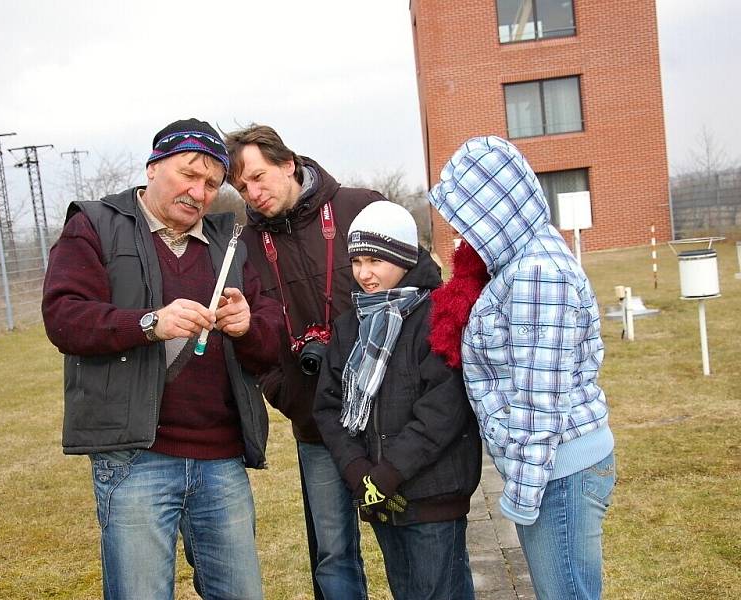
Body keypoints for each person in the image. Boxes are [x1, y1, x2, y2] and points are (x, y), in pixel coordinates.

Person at [42, 118, 282, 600]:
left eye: (212, 184)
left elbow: (273, 334)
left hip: (221, 457)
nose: (199, 192)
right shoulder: (95, 225)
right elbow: (64, 316)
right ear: (153, 167)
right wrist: (148, 323)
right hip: (136, 457)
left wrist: (247, 324)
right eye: (188, 174)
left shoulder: (229, 243)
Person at [428, 135, 616, 600]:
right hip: (557, 465)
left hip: (558, 470)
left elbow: (540, 398)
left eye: (466, 217)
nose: (461, 234)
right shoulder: (524, 259)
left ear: (493, 210)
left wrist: (524, 489)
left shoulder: (537, 272)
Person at [224, 124, 384, 600]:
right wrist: (284, 391)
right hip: (314, 420)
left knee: (410, 540)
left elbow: (422, 295)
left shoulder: (361, 208)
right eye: (242, 188)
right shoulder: (245, 246)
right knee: (333, 553)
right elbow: (248, 334)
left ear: (288, 163)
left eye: (259, 176)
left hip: (386, 415)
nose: (254, 194)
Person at [313, 201, 483, 600]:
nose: (364, 273)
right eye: (356, 261)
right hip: (379, 495)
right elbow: (328, 404)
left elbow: (443, 409)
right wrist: (358, 470)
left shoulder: (437, 316)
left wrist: (391, 470)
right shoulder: (350, 323)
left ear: (404, 258)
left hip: (433, 496)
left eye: (375, 260)